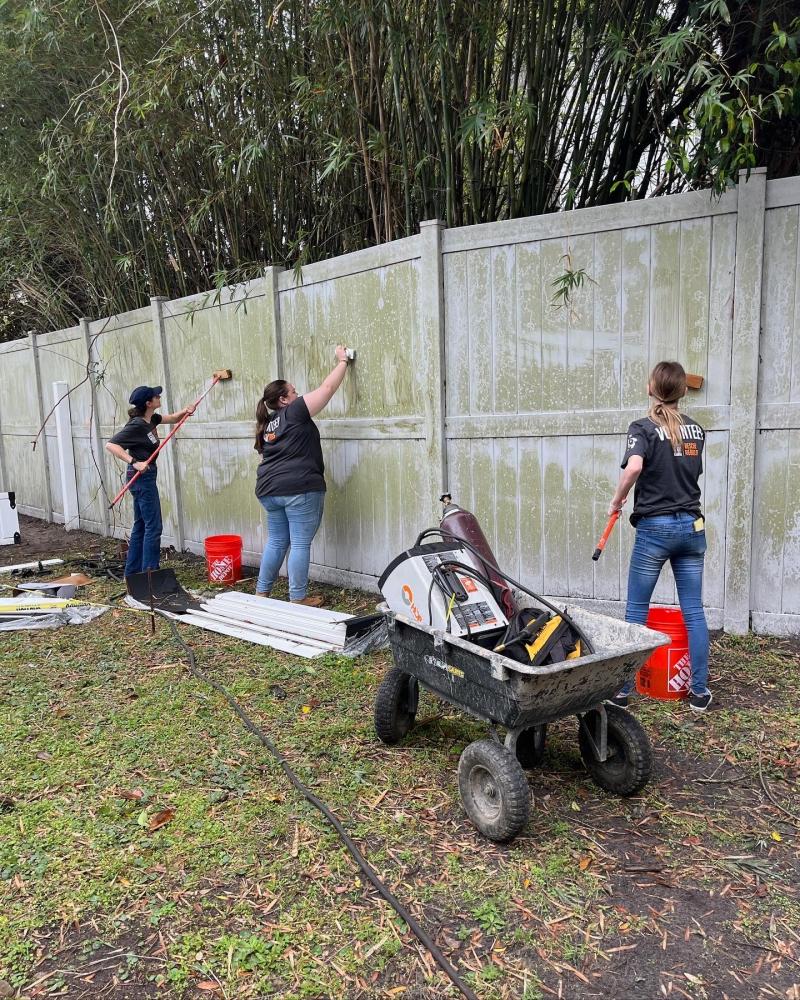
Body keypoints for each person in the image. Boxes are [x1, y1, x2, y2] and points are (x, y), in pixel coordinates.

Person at [608, 361, 712, 712]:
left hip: (655, 529)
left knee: (636, 609)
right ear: (683, 391)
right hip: (691, 528)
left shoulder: (643, 427)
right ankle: (699, 692)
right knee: (693, 611)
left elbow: (635, 467)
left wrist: (618, 499)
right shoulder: (697, 430)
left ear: (650, 389)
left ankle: (622, 690)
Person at [253, 346, 352, 606]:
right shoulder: (294, 411)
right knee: (299, 543)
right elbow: (327, 390)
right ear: (284, 400)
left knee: (276, 540)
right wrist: (342, 361)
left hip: (269, 490)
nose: (298, 394)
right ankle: (298, 598)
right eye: (294, 391)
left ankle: (262, 592)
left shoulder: (268, 424)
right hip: (299, 487)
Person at [106, 385, 194, 578]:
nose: (159, 396)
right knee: (153, 527)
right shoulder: (136, 425)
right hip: (140, 477)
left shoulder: (151, 418)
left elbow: (171, 418)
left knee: (141, 525)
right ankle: (150, 575)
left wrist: (186, 411)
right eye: (156, 396)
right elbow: (111, 445)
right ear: (148, 403)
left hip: (147, 475)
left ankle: (133, 573)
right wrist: (135, 462)